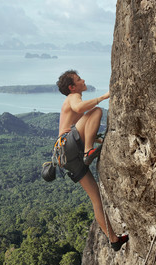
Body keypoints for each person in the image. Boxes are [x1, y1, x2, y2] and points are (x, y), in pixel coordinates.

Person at [55, 70, 128, 251]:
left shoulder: (73, 98)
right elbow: (81, 109)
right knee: (96, 111)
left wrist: (97, 139)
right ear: (72, 87)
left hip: (65, 155)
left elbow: (78, 126)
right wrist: (103, 97)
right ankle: (89, 151)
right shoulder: (74, 97)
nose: (83, 80)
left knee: (96, 198)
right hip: (69, 147)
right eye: (79, 80)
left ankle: (114, 240)